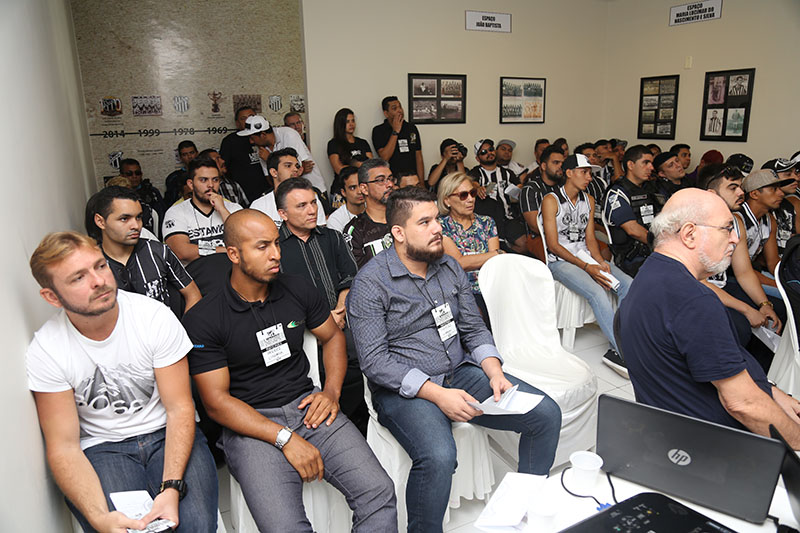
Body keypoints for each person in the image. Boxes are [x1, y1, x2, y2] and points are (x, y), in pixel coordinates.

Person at [347, 186, 562, 532]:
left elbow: (473, 329)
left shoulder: (448, 266)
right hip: (404, 389)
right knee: (439, 456)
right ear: (398, 233)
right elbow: (375, 362)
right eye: (425, 222)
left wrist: (494, 372)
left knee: (546, 414)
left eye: (437, 219)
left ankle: (522, 507)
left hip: (458, 371)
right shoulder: (371, 283)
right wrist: (437, 394)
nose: (438, 229)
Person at [182, 210, 397, 532]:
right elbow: (216, 403)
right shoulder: (205, 318)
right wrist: (285, 438)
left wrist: (331, 392)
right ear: (234, 254)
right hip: (251, 425)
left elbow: (332, 337)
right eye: (262, 246)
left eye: (276, 243)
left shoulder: (297, 289)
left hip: (308, 407)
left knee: (379, 492)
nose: (275, 254)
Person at [26, 231, 218, 532]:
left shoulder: (152, 317)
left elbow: (180, 408)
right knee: (124, 528)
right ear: (52, 297)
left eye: (100, 266)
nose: (99, 281)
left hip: (166, 431)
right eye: (78, 278)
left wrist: (171, 487)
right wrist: (99, 518)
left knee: (194, 526)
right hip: (103, 446)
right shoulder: (47, 349)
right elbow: (64, 447)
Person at [616, 189, 800, 447]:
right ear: (689, 234)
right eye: (727, 229)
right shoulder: (694, 300)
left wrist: (770, 391)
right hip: (715, 447)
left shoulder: (651, 273)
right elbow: (742, 404)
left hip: (669, 434)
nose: (735, 239)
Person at [276, 177, 368, 435]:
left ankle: (358, 425)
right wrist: (321, 322)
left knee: (361, 360)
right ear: (283, 214)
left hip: (341, 318)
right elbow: (276, 295)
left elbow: (350, 277)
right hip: (300, 329)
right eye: (302, 205)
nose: (312, 210)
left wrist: (339, 310)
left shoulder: (332, 238)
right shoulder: (275, 246)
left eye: (313, 203)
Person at [541, 154, 633, 377]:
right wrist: (586, 267)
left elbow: (590, 238)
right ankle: (624, 352)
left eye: (590, 173)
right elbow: (553, 245)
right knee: (597, 293)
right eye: (584, 172)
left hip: (587, 258)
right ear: (569, 173)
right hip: (560, 262)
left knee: (629, 285)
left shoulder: (588, 200)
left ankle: (624, 342)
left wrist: (600, 262)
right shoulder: (551, 200)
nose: (589, 177)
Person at [699, 165, 784, 368]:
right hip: (695, 290)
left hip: (720, 285)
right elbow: (697, 281)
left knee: (775, 313)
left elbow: (744, 272)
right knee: (741, 326)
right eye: (733, 188)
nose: (741, 192)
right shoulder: (696, 224)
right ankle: (728, 375)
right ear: (712, 194)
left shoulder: (735, 222)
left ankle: (761, 375)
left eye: (740, 186)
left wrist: (764, 305)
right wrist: (747, 310)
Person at [85, 186, 202, 314]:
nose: (136, 226)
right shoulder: (90, 264)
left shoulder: (158, 252)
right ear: (100, 221)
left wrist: (182, 325)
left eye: (138, 217)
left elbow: (193, 294)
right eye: (124, 219)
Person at [437, 172, 503, 324]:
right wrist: (496, 253)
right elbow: (459, 263)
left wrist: (493, 256)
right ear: (447, 200)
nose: (471, 199)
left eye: (472, 193)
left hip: (489, 286)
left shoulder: (487, 222)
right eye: (463, 195)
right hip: (460, 290)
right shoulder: (441, 226)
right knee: (476, 313)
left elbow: (494, 265)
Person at [163, 156, 243, 266]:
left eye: (215, 180)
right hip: (196, 274)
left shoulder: (233, 208)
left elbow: (246, 241)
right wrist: (226, 250)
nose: (211, 185)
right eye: (203, 180)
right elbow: (181, 252)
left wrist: (222, 210)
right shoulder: (176, 212)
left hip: (233, 272)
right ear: (191, 184)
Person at [604, 145, 660, 276]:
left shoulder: (651, 189)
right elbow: (632, 230)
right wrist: (662, 246)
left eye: (651, 163)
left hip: (653, 252)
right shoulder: (617, 193)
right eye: (645, 163)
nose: (651, 167)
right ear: (630, 165)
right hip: (631, 259)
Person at [238, 114, 326, 192]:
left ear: (263, 135)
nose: (251, 142)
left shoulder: (288, 134)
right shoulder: (261, 149)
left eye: (252, 138)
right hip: (289, 194)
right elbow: (271, 180)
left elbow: (299, 169)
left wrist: (270, 160)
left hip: (313, 189)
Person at [468, 138, 527, 253]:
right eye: (483, 152)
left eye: (491, 149)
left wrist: (519, 190)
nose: (489, 153)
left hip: (507, 217)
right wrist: (478, 188)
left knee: (524, 244)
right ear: (477, 158)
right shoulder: (475, 172)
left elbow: (519, 187)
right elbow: (472, 183)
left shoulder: (507, 173)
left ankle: (506, 252)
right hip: (485, 222)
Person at [250, 148, 327, 230]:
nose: (295, 169)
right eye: (288, 166)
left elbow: (321, 231)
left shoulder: (311, 198)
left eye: (296, 166)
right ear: (274, 172)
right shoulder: (259, 205)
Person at [343, 158, 396, 268]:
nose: (390, 184)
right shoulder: (355, 231)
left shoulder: (406, 218)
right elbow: (359, 275)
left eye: (390, 179)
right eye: (381, 180)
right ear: (364, 189)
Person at [520, 145, 565, 259]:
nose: (560, 166)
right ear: (544, 166)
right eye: (556, 163)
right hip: (539, 237)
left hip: (568, 236)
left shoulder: (565, 187)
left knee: (602, 249)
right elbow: (535, 226)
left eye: (562, 163)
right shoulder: (531, 189)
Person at [219, 105, 266, 201]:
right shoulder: (230, 141)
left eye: (251, 116)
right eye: (243, 118)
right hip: (244, 194)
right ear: (237, 123)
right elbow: (223, 168)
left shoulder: (264, 136)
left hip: (267, 190)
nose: (249, 120)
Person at [372, 96, 424, 179]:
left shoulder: (411, 128)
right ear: (386, 113)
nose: (399, 110)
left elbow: (418, 156)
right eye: (394, 108)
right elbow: (384, 157)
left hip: (412, 178)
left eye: (400, 107)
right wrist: (395, 131)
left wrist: (421, 181)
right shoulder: (378, 131)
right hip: (392, 179)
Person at [763, 158, 800, 254]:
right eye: (788, 174)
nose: (796, 178)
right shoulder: (761, 209)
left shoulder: (789, 206)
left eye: (796, 173)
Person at [327, 107, 373, 175]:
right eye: (347, 122)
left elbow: (371, 166)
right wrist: (357, 165)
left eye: (353, 121)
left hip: (364, 179)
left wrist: (356, 165)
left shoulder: (363, 142)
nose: (351, 124)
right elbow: (338, 169)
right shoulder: (333, 144)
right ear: (341, 124)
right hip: (345, 180)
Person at [326, 166, 365, 233]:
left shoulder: (376, 209)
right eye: (353, 188)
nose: (359, 191)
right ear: (343, 192)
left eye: (361, 186)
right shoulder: (335, 220)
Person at [165, 141, 199, 206]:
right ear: (180, 158)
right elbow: (170, 201)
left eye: (192, 153)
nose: (189, 157)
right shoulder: (173, 178)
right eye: (185, 154)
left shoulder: (206, 174)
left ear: (197, 153)